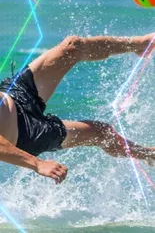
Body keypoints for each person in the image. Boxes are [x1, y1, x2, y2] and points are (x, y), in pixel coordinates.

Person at [0, 33, 155, 185]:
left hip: (13, 95)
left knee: (73, 46)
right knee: (101, 132)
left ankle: (141, 44)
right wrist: (37, 164)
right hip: (25, 133)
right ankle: (149, 154)